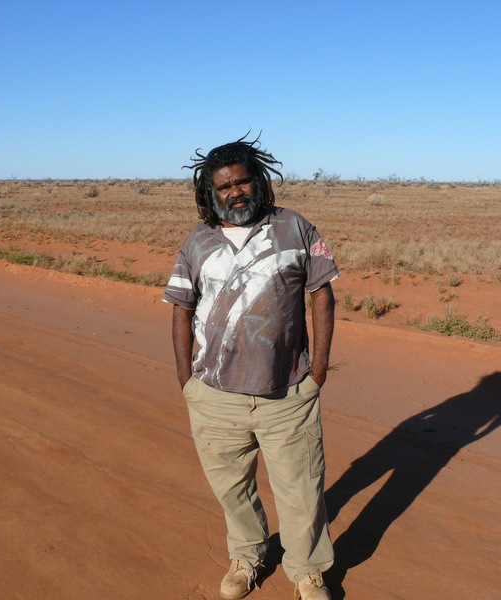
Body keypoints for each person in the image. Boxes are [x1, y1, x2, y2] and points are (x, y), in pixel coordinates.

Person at [163, 135, 339, 600]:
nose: (235, 192)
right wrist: (187, 381)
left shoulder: (294, 228)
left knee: (301, 489)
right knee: (232, 487)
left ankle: (307, 571)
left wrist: (317, 369)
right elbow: (180, 308)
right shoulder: (197, 242)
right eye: (223, 187)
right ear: (209, 193)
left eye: (243, 182)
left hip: (287, 392)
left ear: (258, 182)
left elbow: (321, 293)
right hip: (214, 395)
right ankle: (248, 556)